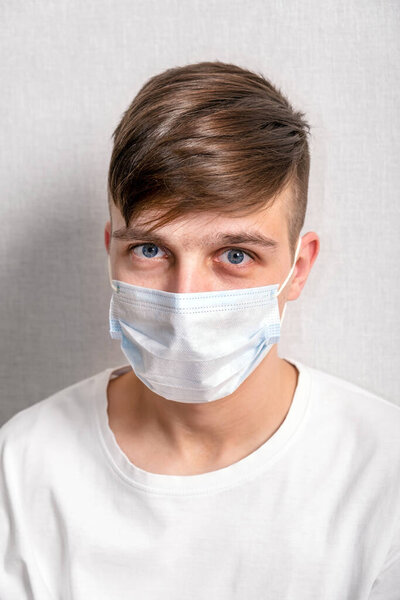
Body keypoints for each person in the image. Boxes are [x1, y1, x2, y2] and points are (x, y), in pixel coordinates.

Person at [0, 61, 399, 599]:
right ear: (110, 253)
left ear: (298, 269)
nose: (185, 299)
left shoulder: (383, 474)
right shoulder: (22, 467)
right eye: (149, 249)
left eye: (235, 254)